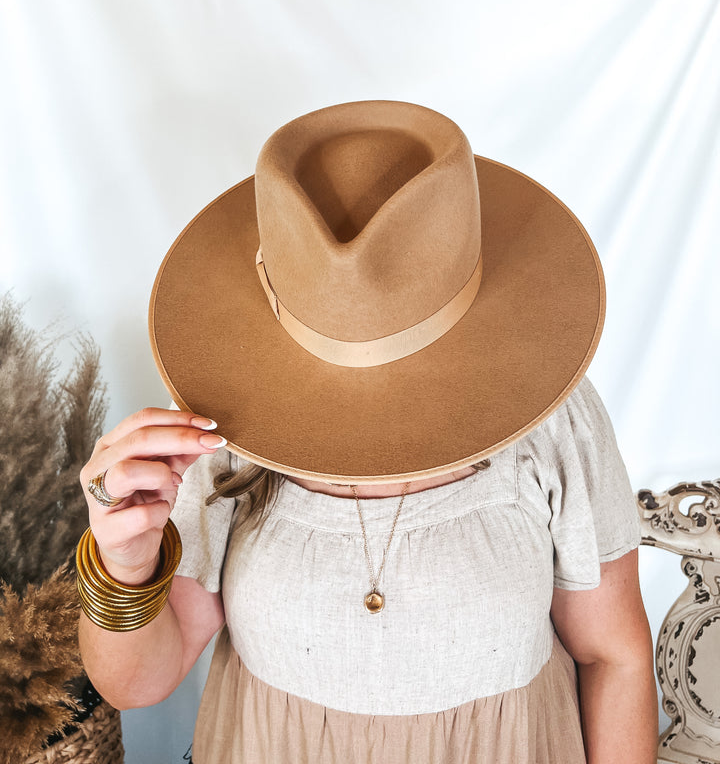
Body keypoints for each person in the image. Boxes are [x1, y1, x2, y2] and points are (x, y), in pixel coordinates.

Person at [78, 101, 658, 763]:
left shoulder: (552, 418)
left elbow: (613, 656)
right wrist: (124, 568)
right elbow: (136, 683)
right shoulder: (222, 425)